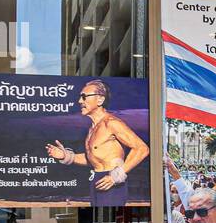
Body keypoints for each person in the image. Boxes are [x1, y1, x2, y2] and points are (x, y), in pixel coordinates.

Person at [45, 79, 149, 207]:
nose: (80, 101)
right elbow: (93, 158)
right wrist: (66, 156)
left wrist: (116, 176)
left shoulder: (111, 123)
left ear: (100, 100)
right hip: (97, 179)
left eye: (84, 97)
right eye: (80, 97)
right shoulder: (92, 128)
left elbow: (142, 148)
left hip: (111, 183)